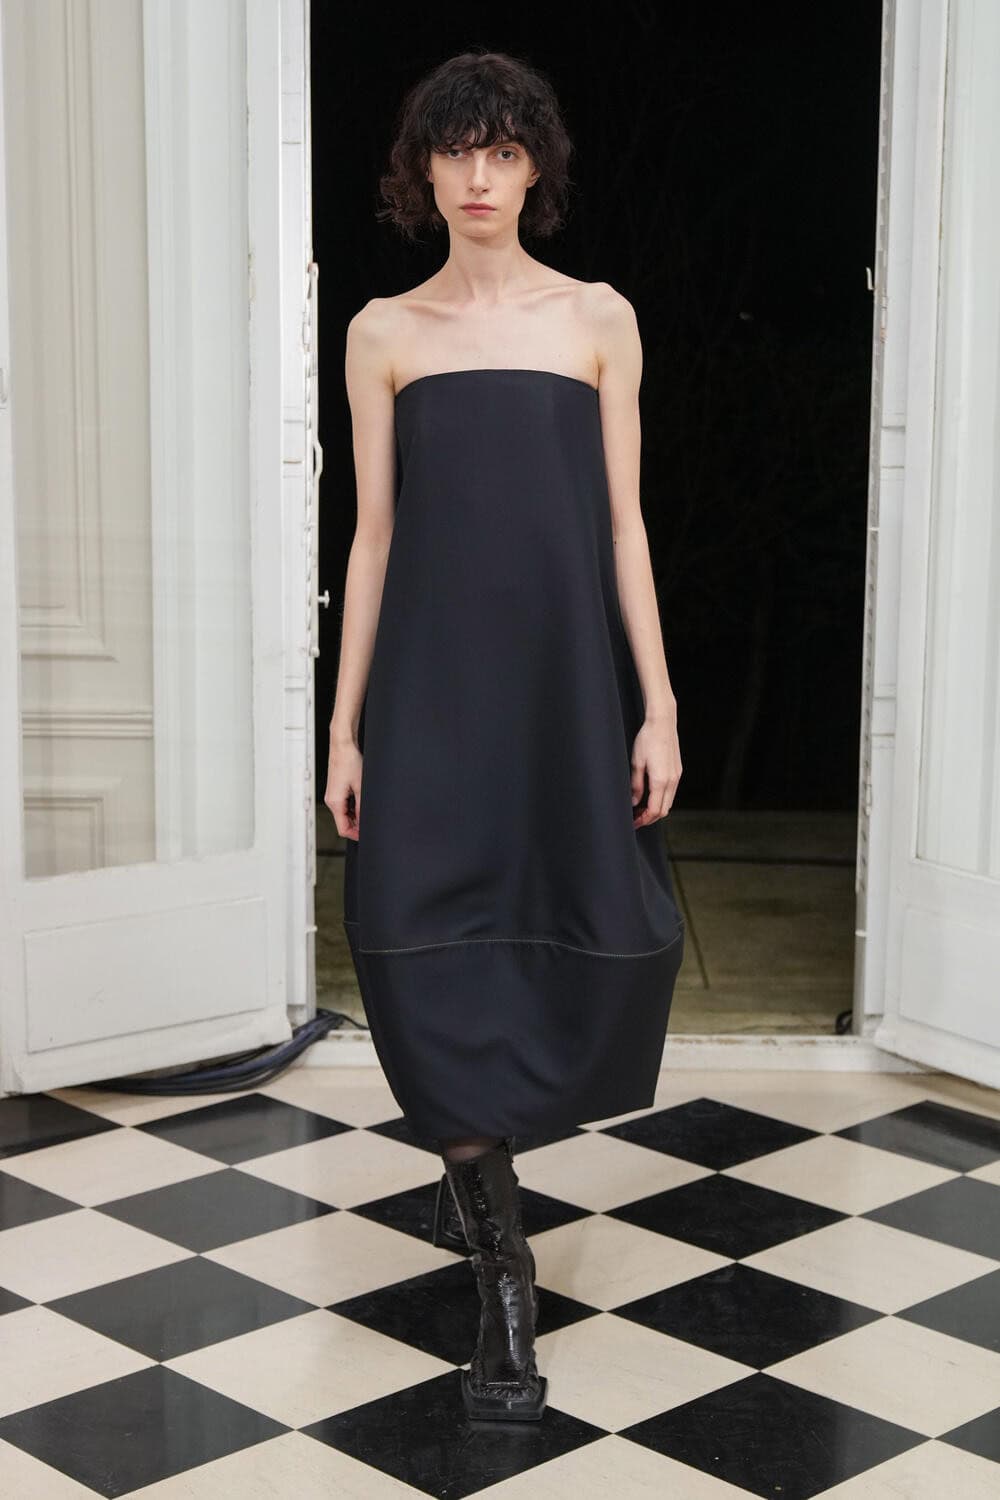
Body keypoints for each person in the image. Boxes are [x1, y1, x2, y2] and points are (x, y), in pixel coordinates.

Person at [326, 49, 685, 1422]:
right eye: (455, 150)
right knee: (413, 930)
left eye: (504, 151)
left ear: (536, 167)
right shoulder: (383, 333)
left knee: (585, 923)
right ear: (421, 170)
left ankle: (475, 1158)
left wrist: (657, 703)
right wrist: (345, 726)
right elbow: (372, 541)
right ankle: (505, 1281)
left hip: (558, 692)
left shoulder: (598, 319)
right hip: (428, 694)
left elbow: (623, 528)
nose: (479, 176)